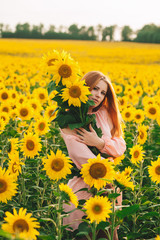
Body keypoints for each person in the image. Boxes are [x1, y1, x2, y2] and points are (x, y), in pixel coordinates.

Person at [60, 71, 126, 239]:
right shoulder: (68, 119)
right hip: (85, 189)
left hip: (109, 187)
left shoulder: (104, 114)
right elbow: (81, 157)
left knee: (109, 234)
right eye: (95, 89)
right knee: (85, 234)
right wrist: (106, 166)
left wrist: (99, 143)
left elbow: (120, 147)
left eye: (103, 92)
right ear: (84, 87)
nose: (98, 95)